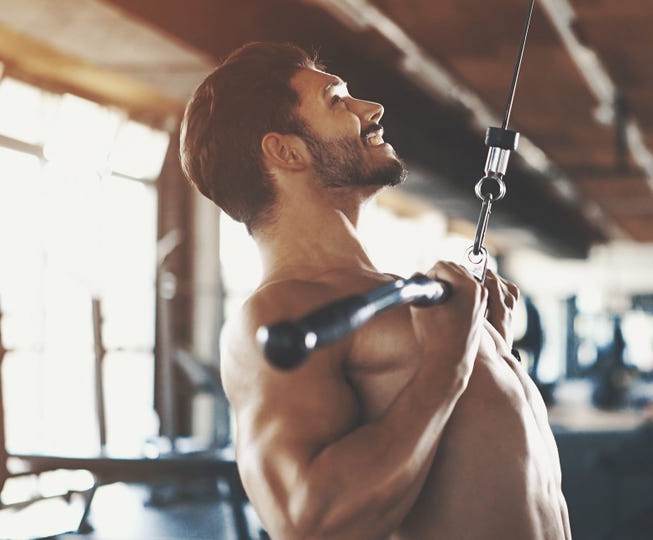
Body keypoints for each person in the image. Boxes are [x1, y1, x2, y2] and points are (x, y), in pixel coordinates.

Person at [180, 42, 571, 540]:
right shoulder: (279, 311)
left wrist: (491, 342)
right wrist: (446, 365)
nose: (372, 108)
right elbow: (310, 521)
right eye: (337, 100)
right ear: (286, 151)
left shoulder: (400, 300)